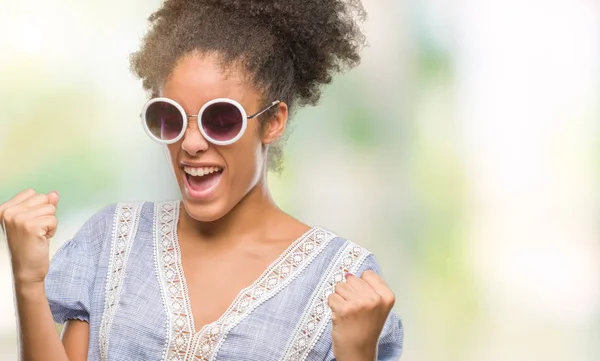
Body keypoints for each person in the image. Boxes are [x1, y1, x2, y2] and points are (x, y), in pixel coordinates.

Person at [0, 0, 403, 360]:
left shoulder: (341, 280)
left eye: (221, 119)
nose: (191, 143)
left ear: (273, 122)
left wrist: (356, 354)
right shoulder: (111, 241)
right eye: (170, 118)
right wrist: (29, 281)